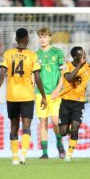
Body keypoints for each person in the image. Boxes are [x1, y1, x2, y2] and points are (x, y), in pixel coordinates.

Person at [0, 28, 47, 165]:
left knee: (14, 127)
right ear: (27, 39)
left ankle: (15, 157)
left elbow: (1, 75)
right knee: (26, 127)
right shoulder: (33, 55)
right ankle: (23, 155)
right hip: (27, 96)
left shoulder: (8, 54)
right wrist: (44, 96)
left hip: (12, 96)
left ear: (16, 39)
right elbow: (38, 78)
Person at [59, 47, 90, 161]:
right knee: (63, 132)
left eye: (84, 53)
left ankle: (69, 155)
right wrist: (80, 65)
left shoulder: (88, 67)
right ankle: (67, 133)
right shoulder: (66, 65)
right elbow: (70, 78)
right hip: (65, 101)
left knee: (75, 128)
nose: (84, 56)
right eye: (81, 54)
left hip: (79, 103)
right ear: (75, 57)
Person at [36, 27, 65, 159]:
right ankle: (45, 153)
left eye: (45, 36)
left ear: (49, 37)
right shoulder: (35, 55)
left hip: (55, 93)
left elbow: (64, 72)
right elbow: (33, 75)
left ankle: (59, 143)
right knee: (43, 122)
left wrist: (58, 88)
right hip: (40, 94)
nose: (42, 39)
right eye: (40, 37)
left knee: (55, 121)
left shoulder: (58, 52)